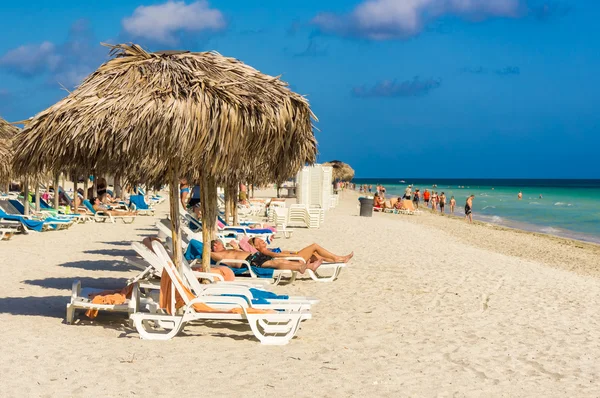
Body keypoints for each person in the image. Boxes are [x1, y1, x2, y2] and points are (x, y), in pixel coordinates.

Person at [210, 240, 317, 273]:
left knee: (278, 260)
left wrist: (235, 247)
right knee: (274, 263)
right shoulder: (217, 254)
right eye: (218, 243)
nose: (221, 244)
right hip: (249, 262)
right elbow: (207, 252)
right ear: (214, 246)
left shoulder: (228, 250)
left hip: (254, 256)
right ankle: (299, 268)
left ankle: (308, 267)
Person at [249, 237, 353, 265]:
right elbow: (278, 256)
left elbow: (283, 252)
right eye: (260, 242)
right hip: (293, 261)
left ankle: (340, 259)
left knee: (317, 256)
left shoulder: (268, 249)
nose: (263, 241)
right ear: (256, 246)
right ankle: (337, 258)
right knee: (314, 246)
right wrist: (295, 256)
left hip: (293, 257)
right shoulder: (265, 252)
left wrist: (293, 253)